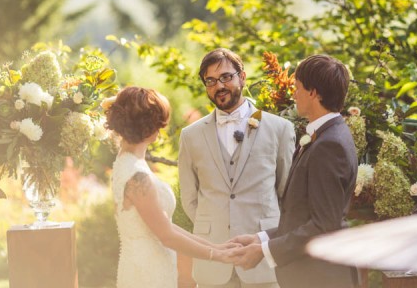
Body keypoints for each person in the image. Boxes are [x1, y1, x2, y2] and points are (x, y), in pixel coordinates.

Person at [230, 54, 359, 288]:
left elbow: (323, 225)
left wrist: (264, 251)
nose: (293, 93)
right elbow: (304, 216)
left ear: (314, 92)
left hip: (321, 278)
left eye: (298, 87)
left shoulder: (330, 145)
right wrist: (261, 238)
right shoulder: (328, 135)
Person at [178, 48, 296, 288]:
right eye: (210, 81)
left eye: (226, 77)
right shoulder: (190, 136)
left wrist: (267, 237)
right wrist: (214, 229)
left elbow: (288, 194)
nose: (218, 86)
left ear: (242, 77)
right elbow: (189, 198)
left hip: (263, 258)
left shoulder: (280, 129)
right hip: (212, 259)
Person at [104, 86, 239, 288]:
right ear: (149, 126)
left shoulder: (125, 162)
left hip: (145, 265)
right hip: (148, 273)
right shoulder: (137, 177)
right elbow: (166, 235)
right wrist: (217, 255)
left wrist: (217, 247)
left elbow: (163, 224)